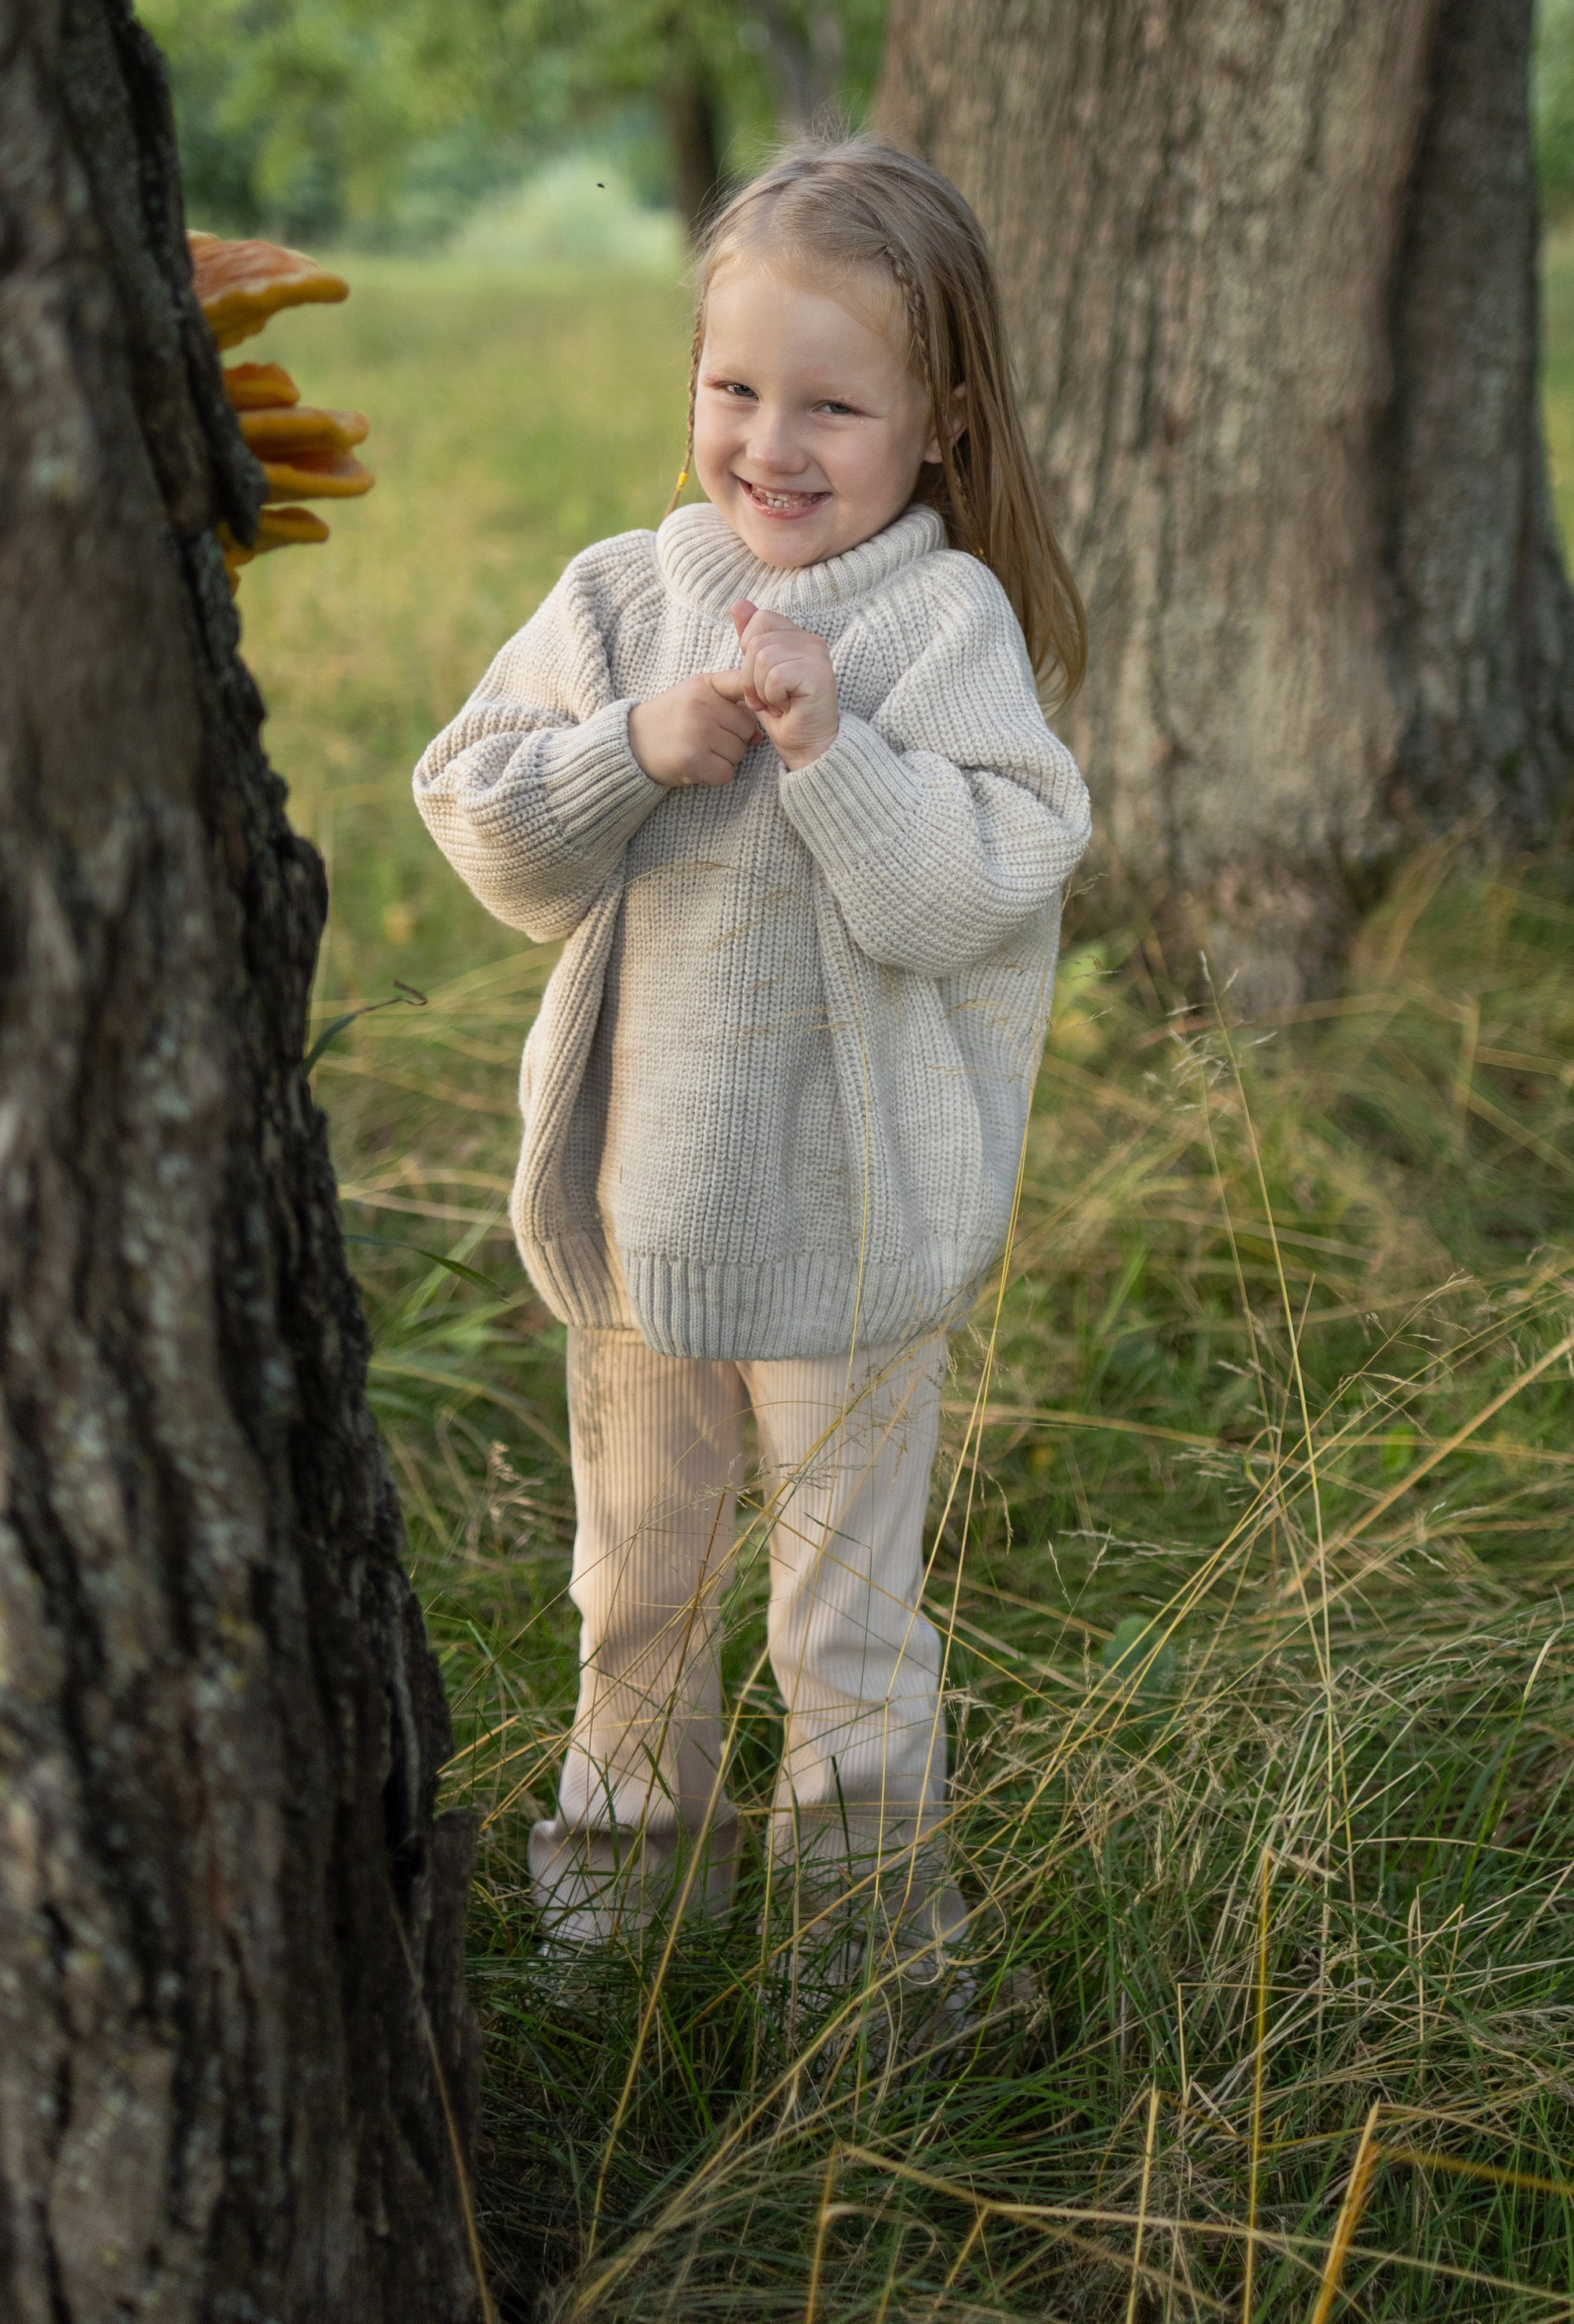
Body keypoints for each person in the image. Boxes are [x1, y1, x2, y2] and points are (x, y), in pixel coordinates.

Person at [413, 135, 1090, 2028]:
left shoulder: (937, 630)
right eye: (732, 389)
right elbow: (481, 820)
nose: (770, 443)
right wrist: (633, 746)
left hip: (853, 1248)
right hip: (640, 1239)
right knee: (631, 1598)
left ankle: (867, 1969)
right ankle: (611, 1931)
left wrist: (827, 750)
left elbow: (986, 880)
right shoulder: (627, 598)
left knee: (846, 1627)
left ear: (938, 423)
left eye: (832, 403)